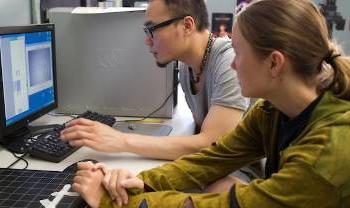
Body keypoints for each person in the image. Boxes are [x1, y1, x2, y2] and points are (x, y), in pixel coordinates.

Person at [72, 0, 350, 207]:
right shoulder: (272, 111)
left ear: (275, 63)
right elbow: (214, 158)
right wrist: (139, 182)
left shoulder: (327, 153)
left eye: (239, 52)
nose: (233, 63)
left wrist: (114, 201)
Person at [60, 0, 248, 160]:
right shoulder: (186, 68)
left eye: (152, 29)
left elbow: (214, 145)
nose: (147, 41)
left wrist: (122, 140)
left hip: (239, 171)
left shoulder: (229, 63)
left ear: (187, 26)